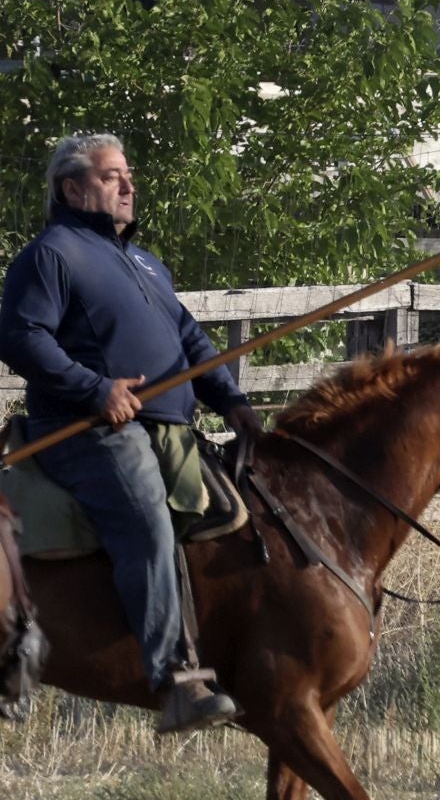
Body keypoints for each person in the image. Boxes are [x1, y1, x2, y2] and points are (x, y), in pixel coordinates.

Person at [0, 133, 263, 733]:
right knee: (147, 520)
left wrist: (234, 400)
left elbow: (190, 342)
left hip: (171, 428)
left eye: (128, 174)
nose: (128, 185)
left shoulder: (145, 263)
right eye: (111, 175)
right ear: (73, 188)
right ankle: (174, 681)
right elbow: (21, 338)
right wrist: (97, 390)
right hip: (86, 430)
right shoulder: (51, 255)